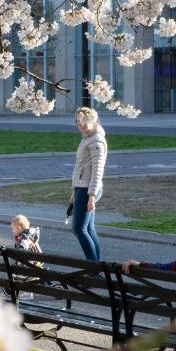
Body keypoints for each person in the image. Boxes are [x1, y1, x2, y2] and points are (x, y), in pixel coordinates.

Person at [69, 106, 106, 261]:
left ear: (93, 121)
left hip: (88, 189)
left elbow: (98, 170)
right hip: (82, 188)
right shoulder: (87, 137)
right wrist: (74, 190)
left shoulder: (96, 140)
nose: (81, 125)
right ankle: (97, 267)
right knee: (89, 229)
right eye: (78, 122)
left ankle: (94, 270)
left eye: (84, 122)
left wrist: (91, 196)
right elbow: (81, 167)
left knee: (79, 229)